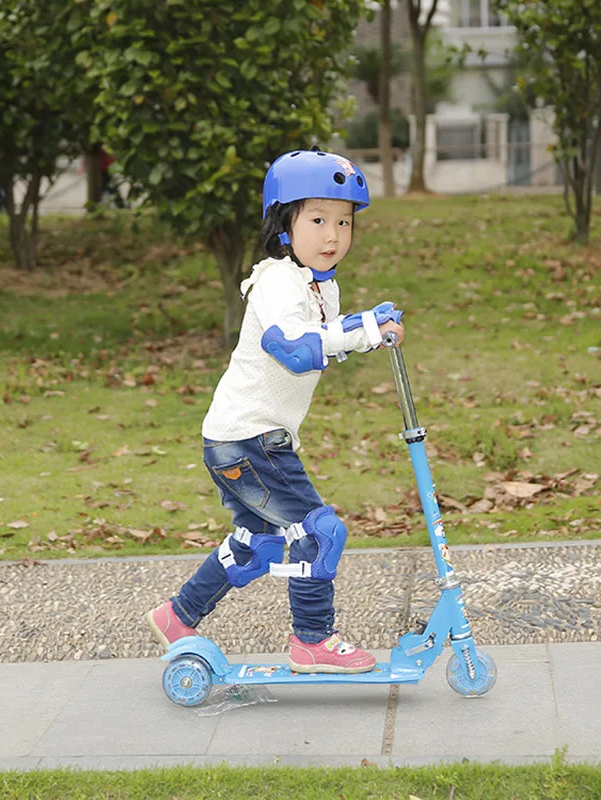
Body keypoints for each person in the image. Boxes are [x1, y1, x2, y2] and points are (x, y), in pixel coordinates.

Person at [146, 149, 405, 674]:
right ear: (283, 224)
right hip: (249, 439)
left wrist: (366, 325)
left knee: (258, 544)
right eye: (317, 220)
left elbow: (327, 336)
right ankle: (312, 639)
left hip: (243, 437)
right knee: (319, 533)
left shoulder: (319, 284)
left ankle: (178, 615)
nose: (333, 235)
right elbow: (292, 344)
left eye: (344, 222)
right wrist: (362, 332)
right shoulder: (276, 281)